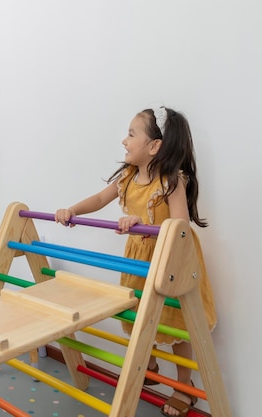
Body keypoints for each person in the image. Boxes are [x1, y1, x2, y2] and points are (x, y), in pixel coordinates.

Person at [55, 107, 216, 417]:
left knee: (177, 323)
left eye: (131, 134)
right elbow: (100, 199)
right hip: (140, 260)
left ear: (154, 146)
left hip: (172, 259)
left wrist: (141, 221)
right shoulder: (128, 177)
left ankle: (183, 388)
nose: (124, 141)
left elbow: (180, 226)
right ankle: (149, 358)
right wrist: (72, 210)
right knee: (136, 311)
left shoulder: (171, 180)